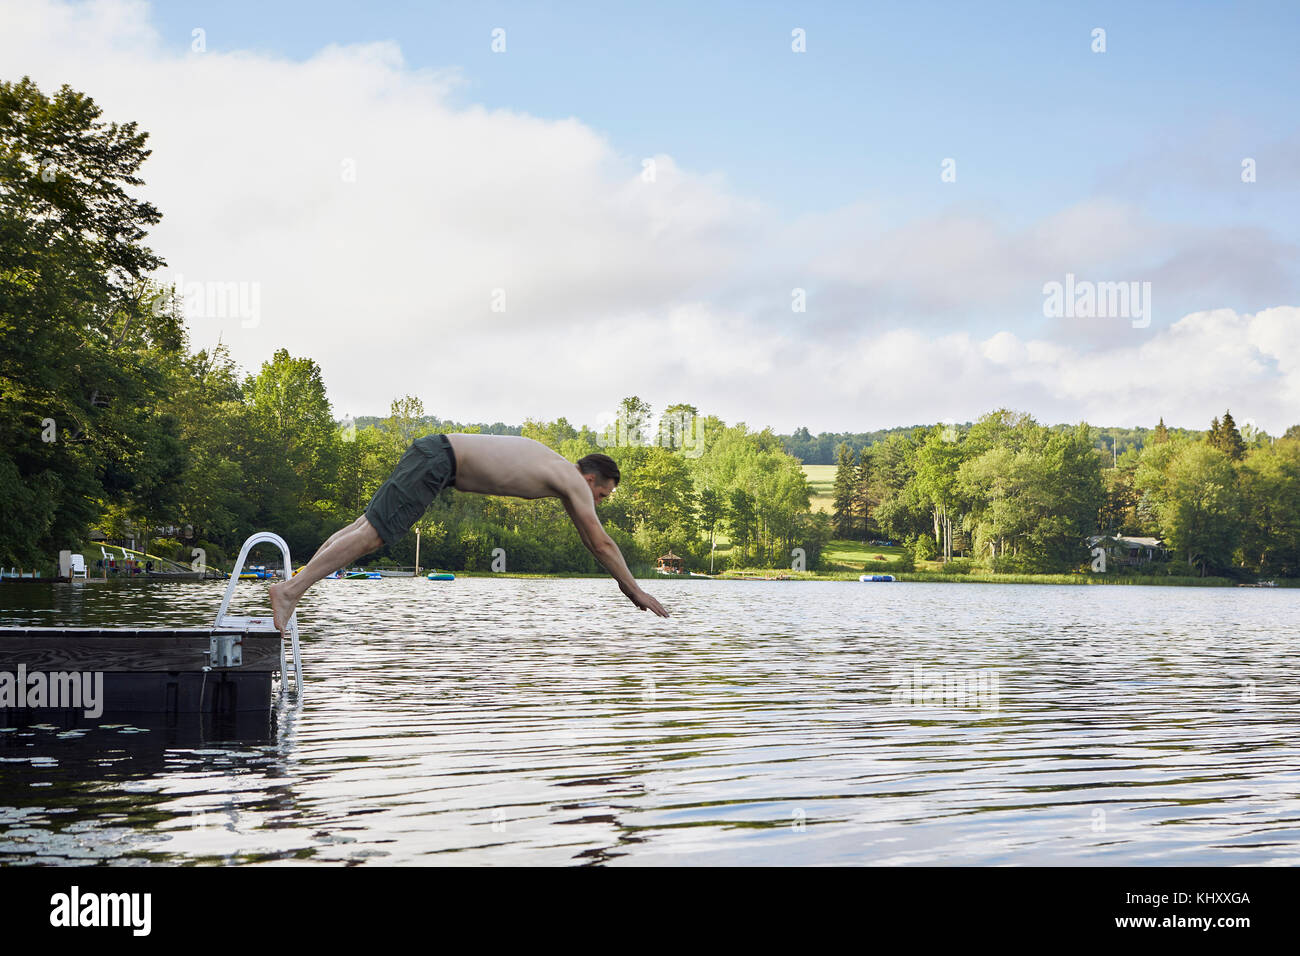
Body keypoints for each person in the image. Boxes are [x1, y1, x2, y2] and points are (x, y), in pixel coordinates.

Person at [268, 433, 669, 631]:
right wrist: (635, 589)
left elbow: (591, 539)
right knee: (373, 534)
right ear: (590, 477)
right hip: (440, 461)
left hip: (435, 454)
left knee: (363, 526)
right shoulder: (572, 480)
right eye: (602, 492)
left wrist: (625, 586)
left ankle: (293, 587)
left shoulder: (560, 473)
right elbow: (600, 542)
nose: (598, 500)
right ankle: (289, 592)